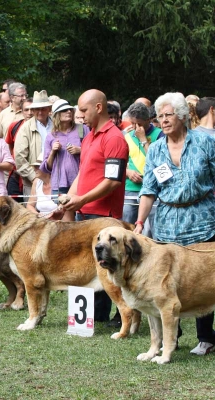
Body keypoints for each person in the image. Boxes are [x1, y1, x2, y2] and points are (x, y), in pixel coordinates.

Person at [135, 92, 215, 356]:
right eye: (160, 116)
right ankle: (172, 338)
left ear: (182, 116)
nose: (164, 120)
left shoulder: (205, 142)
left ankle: (205, 337)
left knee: (202, 278)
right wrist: (139, 222)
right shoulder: (156, 148)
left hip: (203, 220)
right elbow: (149, 190)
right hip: (167, 224)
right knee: (167, 282)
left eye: (168, 115)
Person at [62, 89, 129, 324]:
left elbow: (113, 181)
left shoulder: (114, 138)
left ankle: (123, 315)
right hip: (85, 211)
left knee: (110, 266)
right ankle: (95, 316)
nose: (79, 116)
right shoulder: (89, 136)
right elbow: (83, 173)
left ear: (98, 108)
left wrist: (82, 200)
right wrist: (68, 200)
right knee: (91, 266)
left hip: (103, 215)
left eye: (83, 110)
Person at [122, 102, 163, 231]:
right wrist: (128, 172)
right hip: (131, 189)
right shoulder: (127, 136)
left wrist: (143, 139)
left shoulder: (160, 134)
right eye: (132, 123)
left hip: (154, 189)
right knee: (127, 228)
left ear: (148, 120)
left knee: (152, 230)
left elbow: (158, 160)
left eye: (139, 124)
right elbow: (120, 163)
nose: (135, 127)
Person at [40, 99, 87, 213]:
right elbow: (47, 167)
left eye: (70, 109)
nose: (69, 112)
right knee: (66, 218)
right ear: (56, 115)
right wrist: (53, 152)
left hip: (80, 181)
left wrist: (80, 150)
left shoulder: (83, 129)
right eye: (64, 110)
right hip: (60, 183)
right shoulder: (51, 136)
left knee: (82, 216)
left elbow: (94, 152)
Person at [14, 90, 53, 200]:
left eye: (43, 108)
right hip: (32, 181)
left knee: (57, 213)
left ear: (49, 109)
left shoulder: (57, 125)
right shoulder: (25, 128)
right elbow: (19, 158)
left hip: (56, 179)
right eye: (37, 109)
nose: (40, 112)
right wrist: (35, 178)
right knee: (33, 214)